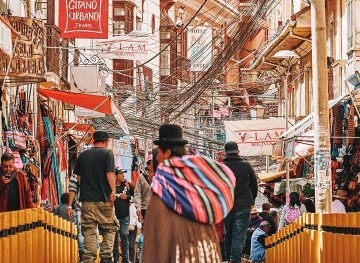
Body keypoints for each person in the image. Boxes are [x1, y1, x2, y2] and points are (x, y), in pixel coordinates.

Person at [142, 124, 236, 262]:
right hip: (205, 252)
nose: (156, 158)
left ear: (167, 153)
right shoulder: (200, 184)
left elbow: (154, 239)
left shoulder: (162, 187)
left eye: (159, 152)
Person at [73, 131, 119, 263]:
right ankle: (105, 257)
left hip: (87, 201)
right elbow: (110, 173)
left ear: (93, 140)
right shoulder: (107, 153)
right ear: (106, 141)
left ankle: (89, 259)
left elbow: (79, 178)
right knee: (110, 228)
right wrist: (113, 191)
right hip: (104, 200)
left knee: (89, 231)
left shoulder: (83, 154)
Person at [222, 141, 258, 263]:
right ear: (238, 152)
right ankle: (235, 260)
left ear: (225, 152)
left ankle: (228, 260)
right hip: (243, 205)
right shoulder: (246, 166)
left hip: (226, 206)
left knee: (228, 234)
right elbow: (254, 185)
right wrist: (252, 199)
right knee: (239, 236)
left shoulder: (220, 167)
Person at [113, 168, 134, 263]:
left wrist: (127, 197)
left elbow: (134, 197)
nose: (123, 176)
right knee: (115, 239)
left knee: (124, 235)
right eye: (121, 174)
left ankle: (125, 259)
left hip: (125, 216)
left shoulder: (128, 185)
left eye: (123, 174)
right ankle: (116, 259)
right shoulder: (111, 185)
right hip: (113, 217)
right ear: (116, 175)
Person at [67, 173, 85, 262]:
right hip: (81, 207)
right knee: (81, 234)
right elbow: (72, 189)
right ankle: (83, 257)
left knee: (95, 235)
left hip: (95, 206)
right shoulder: (76, 172)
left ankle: (89, 257)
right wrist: (69, 206)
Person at [134, 154, 153, 221]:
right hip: (145, 208)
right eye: (150, 163)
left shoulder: (160, 175)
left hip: (158, 209)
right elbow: (137, 193)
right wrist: (138, 207)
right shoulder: (141, 177)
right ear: (147, 164)